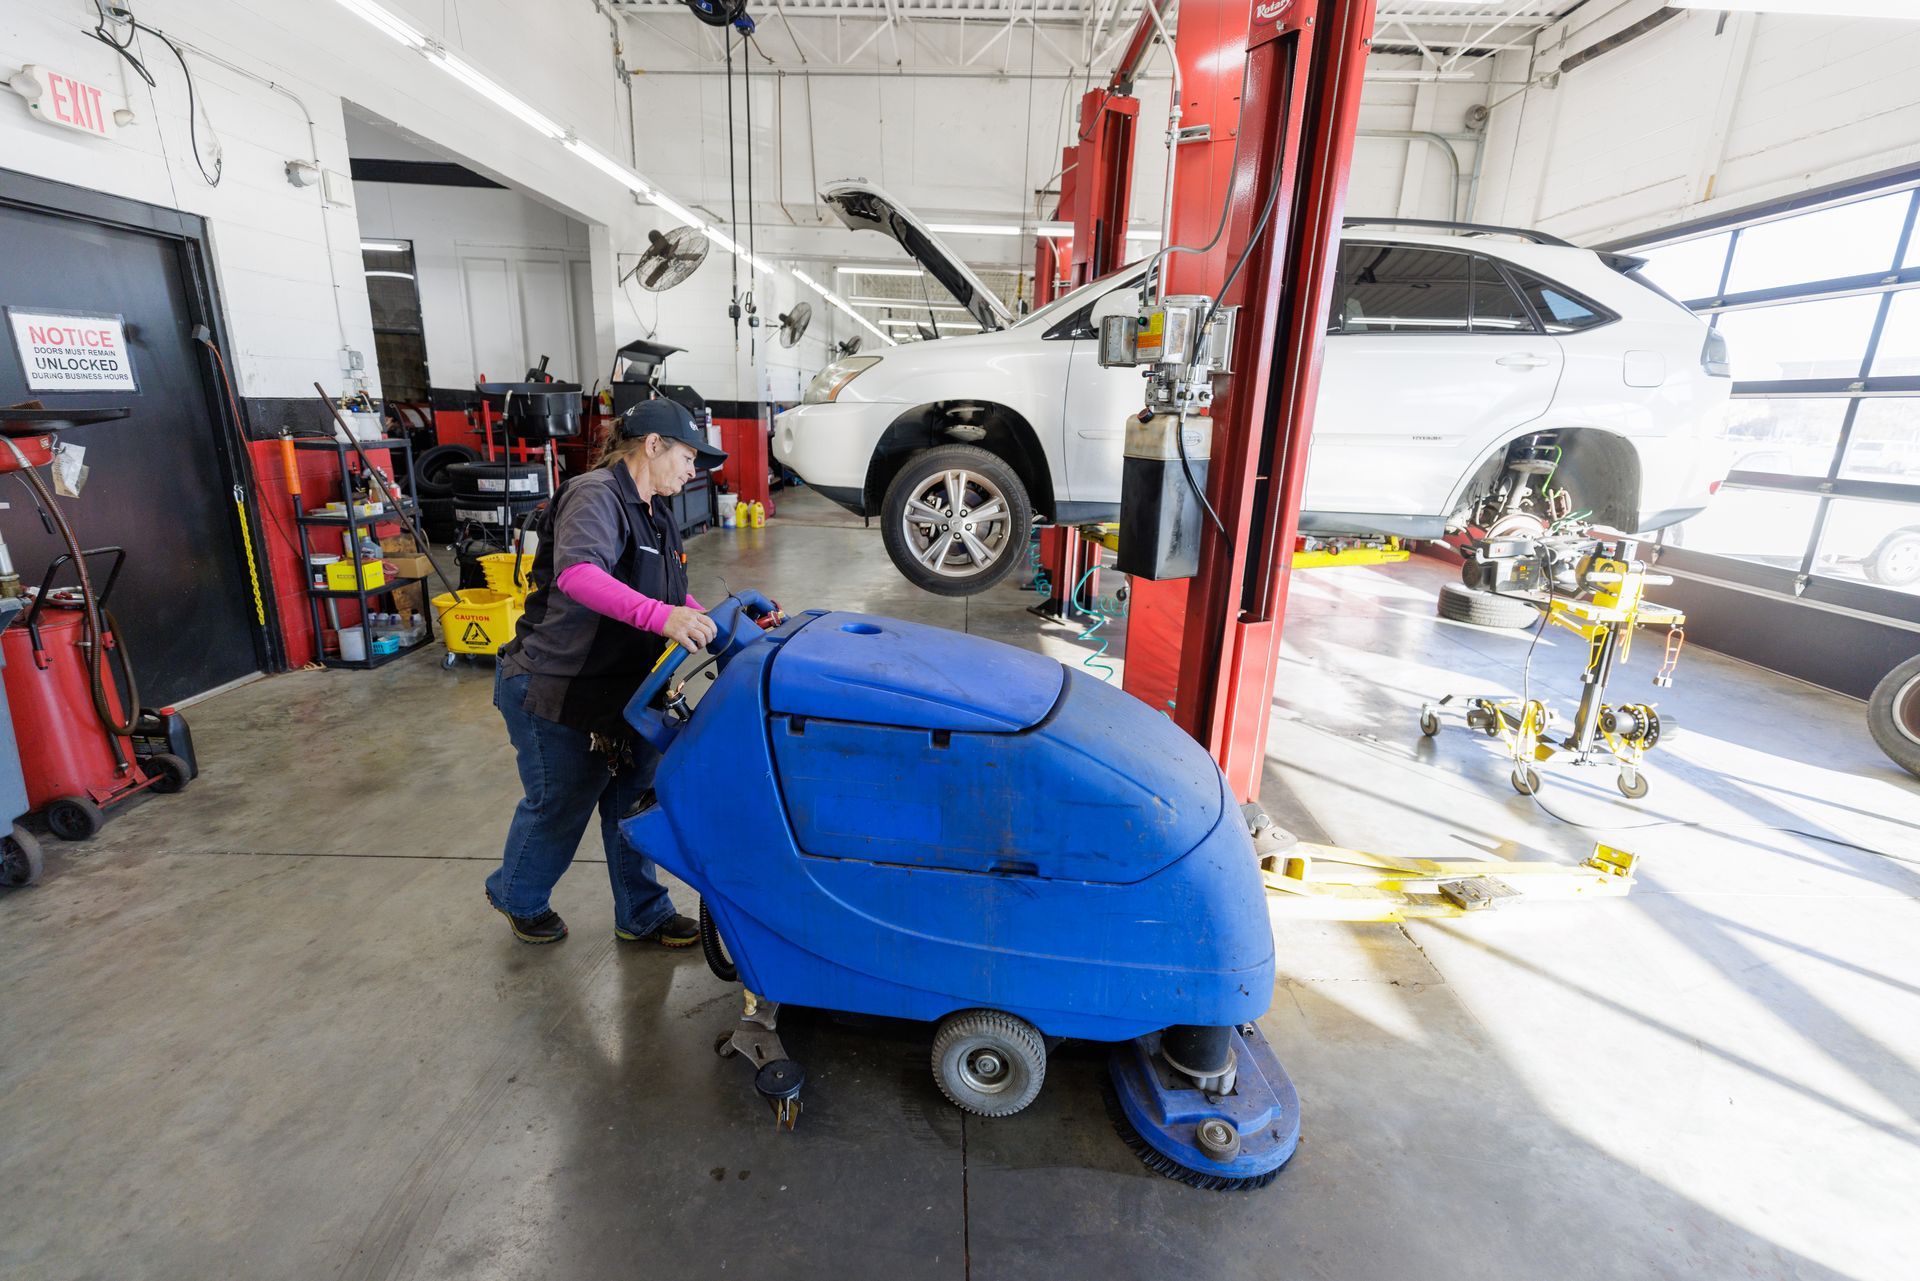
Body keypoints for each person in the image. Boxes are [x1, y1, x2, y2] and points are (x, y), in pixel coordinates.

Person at [483, 397, 725, 946]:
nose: (693, 472)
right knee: (561, 804)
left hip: (626, 690)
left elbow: (660, 590)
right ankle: (516, 893)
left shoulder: (656, 509)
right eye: (688, 457)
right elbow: (580, 577)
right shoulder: (596, 495)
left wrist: (711, 618)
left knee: (634, 801)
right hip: (557, 687)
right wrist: (663, 616)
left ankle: (642, 913)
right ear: (653, 444)